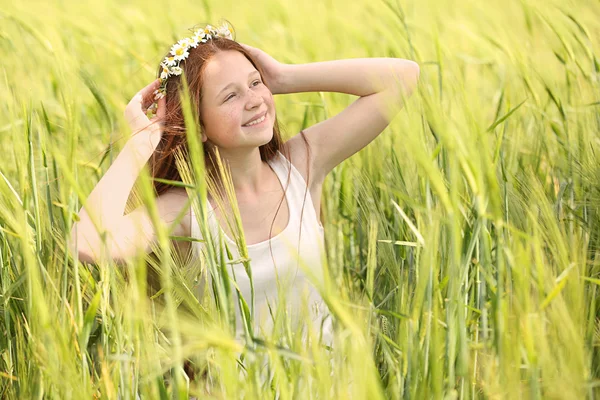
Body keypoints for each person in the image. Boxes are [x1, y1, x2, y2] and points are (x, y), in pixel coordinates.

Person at [69, 21, 420, 350]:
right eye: (230, 96)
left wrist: (284, 76)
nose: (253, 100)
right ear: (198, 125)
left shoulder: (301, 166)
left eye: (255, 83)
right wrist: (140, 145)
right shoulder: (185, 211)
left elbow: (403, 77)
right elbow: (85, 244)